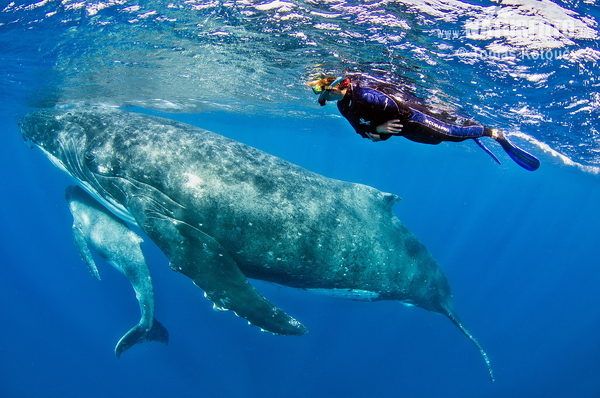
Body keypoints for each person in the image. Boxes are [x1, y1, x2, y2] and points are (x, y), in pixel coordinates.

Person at [308, 74, 540, 171]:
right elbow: (360, 129)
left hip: (415, 119)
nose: (326, 99)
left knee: (452, 133)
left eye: (327, 93)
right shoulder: (343, 105)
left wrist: (382, 132)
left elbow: (397, 110)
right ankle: (469, 128)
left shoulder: (364, 94)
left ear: (340, 86)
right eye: (323, 97)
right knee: (436, 141)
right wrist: (375, 130)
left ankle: (492, 133)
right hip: (406, 130)